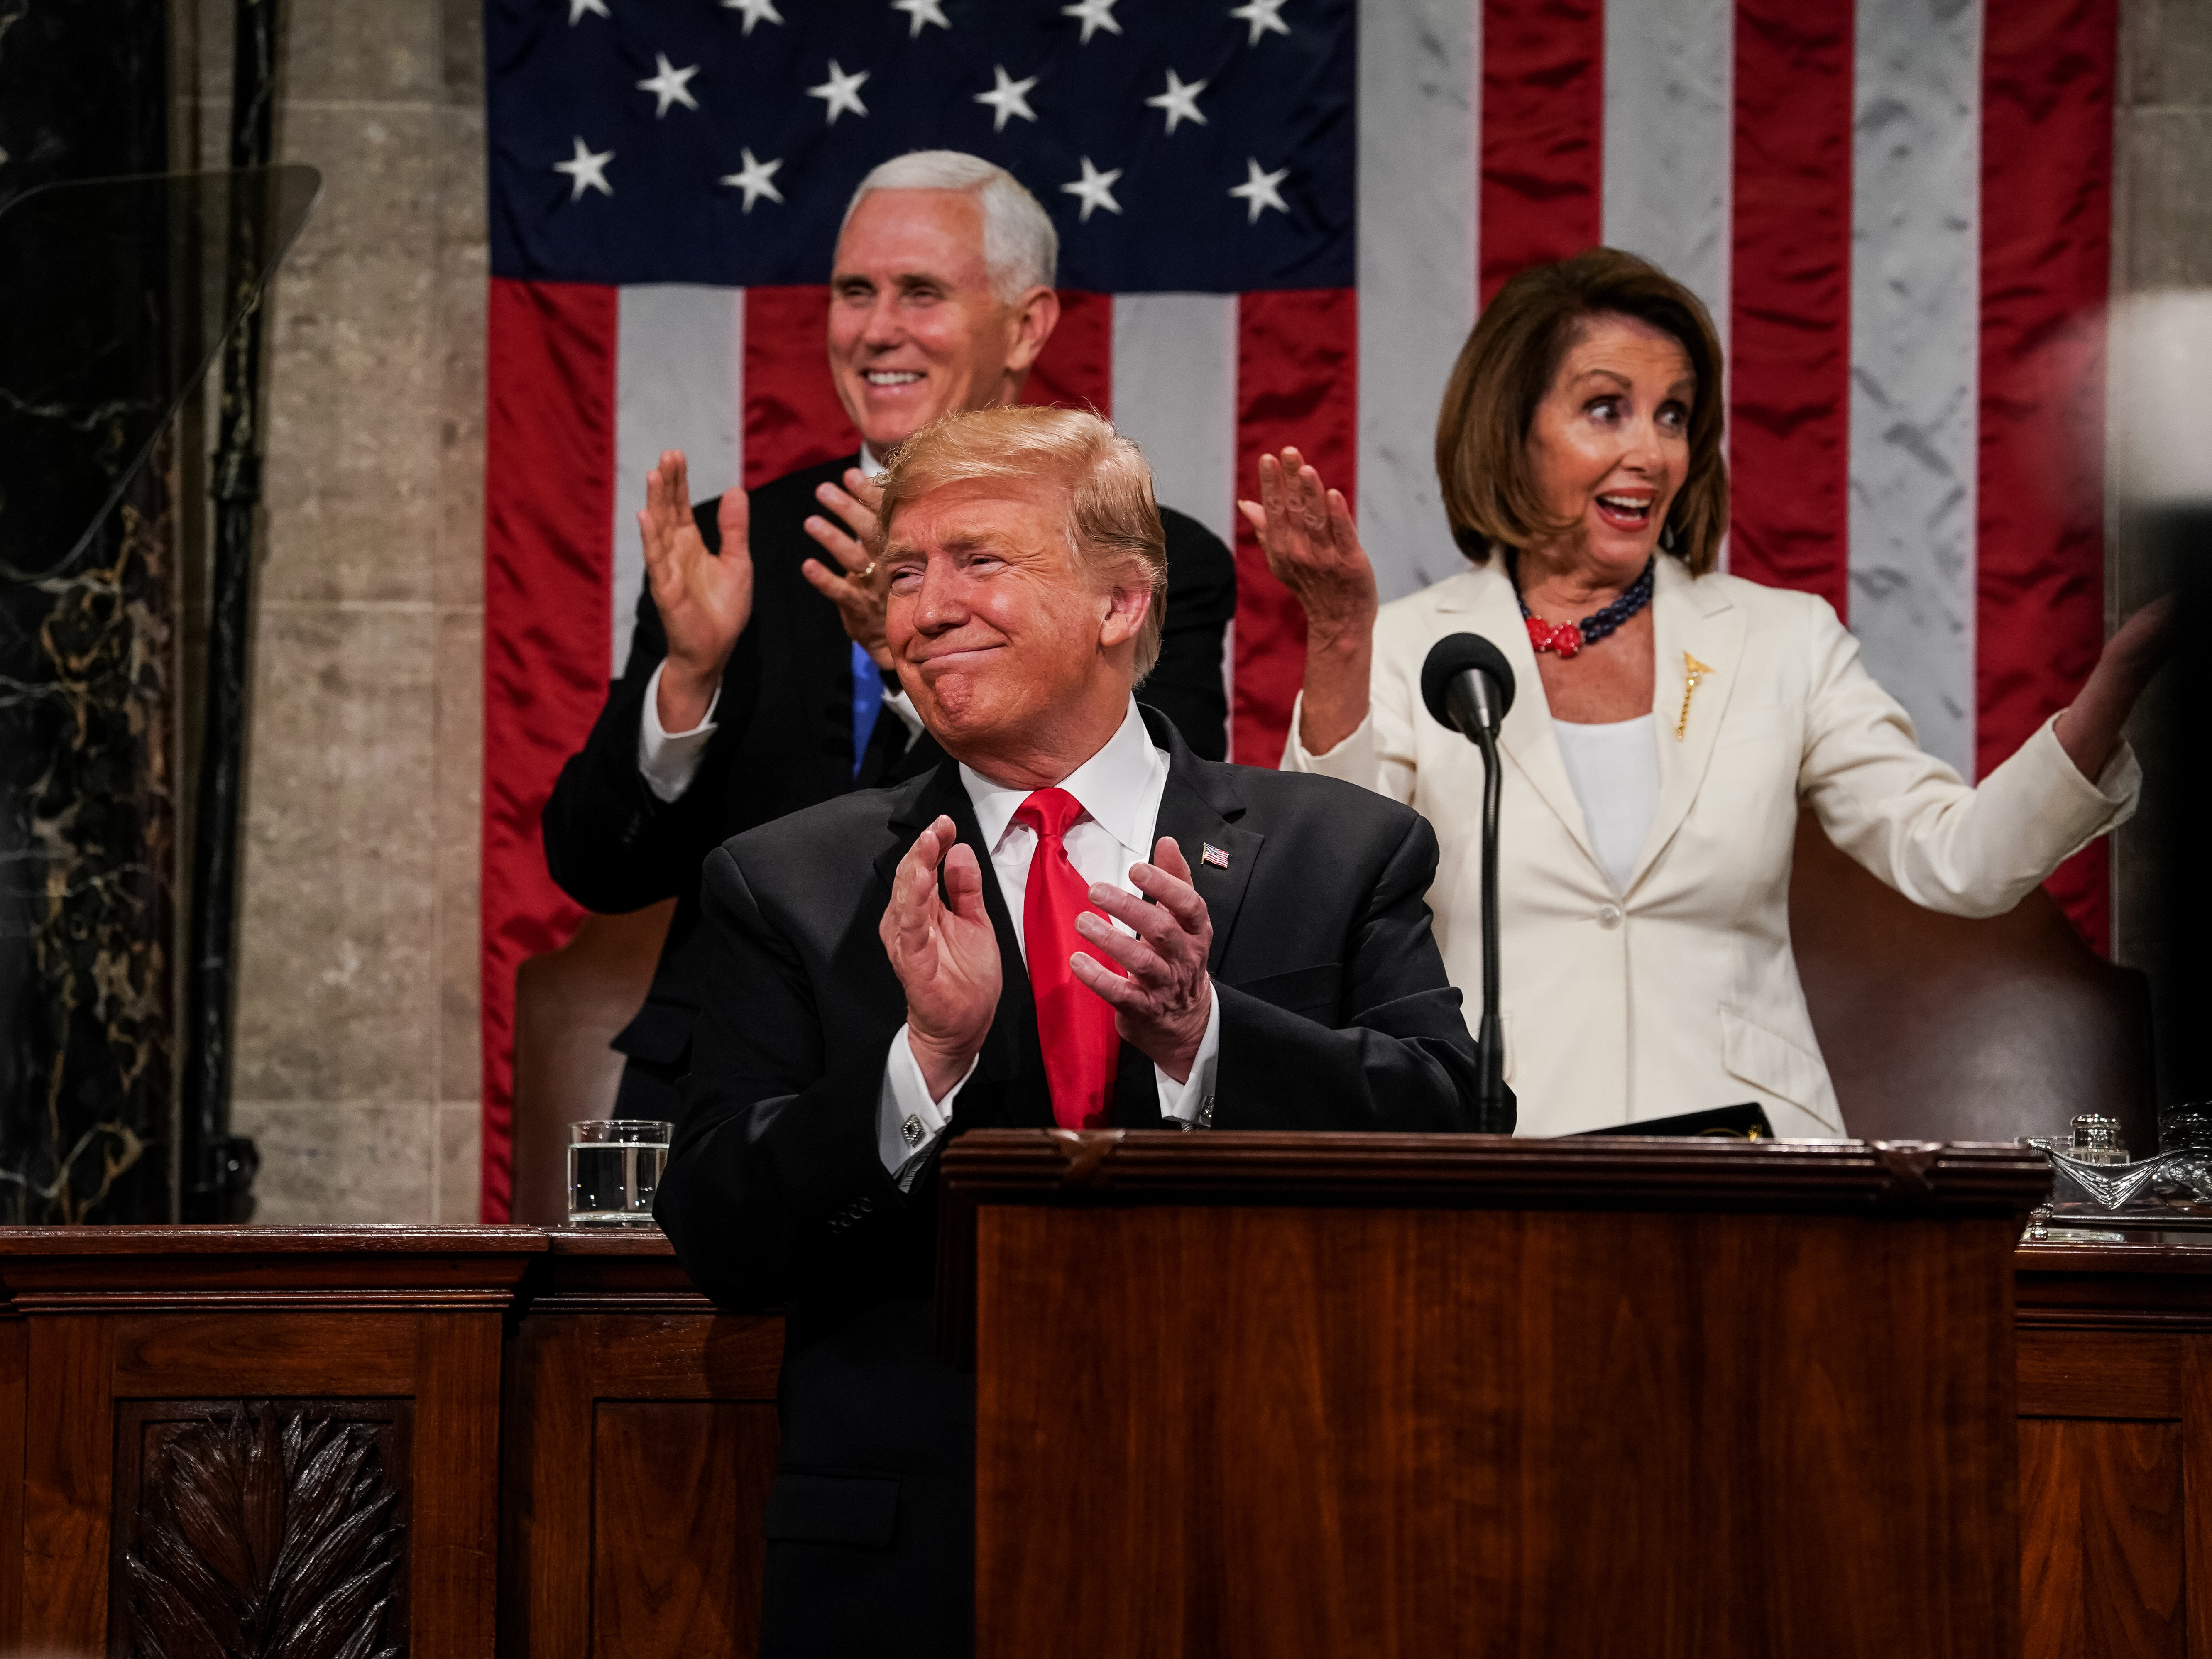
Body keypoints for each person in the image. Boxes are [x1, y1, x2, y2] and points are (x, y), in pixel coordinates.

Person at [653, 404, 1497, 1658]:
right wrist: (918, 1067)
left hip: (1281, 1527)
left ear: (1119, 602)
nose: (924, 607)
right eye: (902, 572)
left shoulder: (1340, 848)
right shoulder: (792, 880)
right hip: (922, 1561)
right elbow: (719, 1223)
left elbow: (1461, 1131)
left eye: (979, 560)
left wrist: (1206, 1038)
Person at [1253, 247, 2166, 1140]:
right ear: (1514, 428)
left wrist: (2115, 683)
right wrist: (1338, 638)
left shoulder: (1783, 641)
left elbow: (1957, 860)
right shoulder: (1414, 645)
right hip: (1512, 1159)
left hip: (1755, 1168)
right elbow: (1340, 888)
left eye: (1675, 415)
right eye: (1607, 410)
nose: (1650, 451)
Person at [542, 152, 1237, 1118]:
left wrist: (911, 656)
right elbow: (597, 868)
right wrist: (690, 680)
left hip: (1006, 1088)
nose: (877, 331)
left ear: (1027, 325)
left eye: (921, 293)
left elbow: (1161, 830)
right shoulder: (729, 548)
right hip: (733, 1092)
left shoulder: (1142, 559)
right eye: (855, 292)